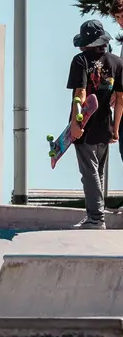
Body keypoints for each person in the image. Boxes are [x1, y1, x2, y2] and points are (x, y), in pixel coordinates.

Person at [67, 19, 123, 230]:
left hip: (85, 125)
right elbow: (120, 98)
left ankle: (96, 218)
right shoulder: (117, 62)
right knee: (97, 172)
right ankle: (92, 214)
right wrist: (116, 128)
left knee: (89, 172)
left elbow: (80, 93)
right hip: (105, 124)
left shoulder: (80, 60)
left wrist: (75, 123)